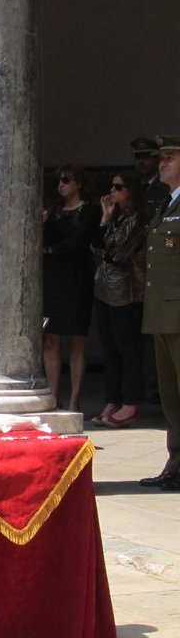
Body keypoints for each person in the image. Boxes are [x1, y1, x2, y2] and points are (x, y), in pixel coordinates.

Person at [91, 174, 149, 428]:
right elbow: (95, 246)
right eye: (110, 186)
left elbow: (118, 255)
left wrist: (103, 247)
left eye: (118, 187)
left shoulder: (139, 219)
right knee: (110, 350)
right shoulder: (114, 218)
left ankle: (130, 402)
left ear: (130, 191)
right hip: (104, 290)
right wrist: (104, 219)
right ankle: (112, 400)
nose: (112, 191)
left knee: (129, 350)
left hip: (127, 294)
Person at [43, 165, 101, 411]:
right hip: (53, 278)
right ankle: (53, 396)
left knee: (77, 339)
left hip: (78, 278)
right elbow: (44, 241)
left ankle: (75, 398)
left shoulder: (90, 210)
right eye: (58, 181)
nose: (61, 185)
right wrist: (43, 224)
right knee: (51, 338)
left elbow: (79, 242)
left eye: (66, 180)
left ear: (79, 183)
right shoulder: (53, 212)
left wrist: (51, 250)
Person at [140, 135, 180, 492]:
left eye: (170, 157)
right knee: (171, 397)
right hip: (164, 316)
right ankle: (176, 463)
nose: (162, 163)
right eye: (161, 158)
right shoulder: (167, 203)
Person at [132, 136, 169, 217]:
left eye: (146, 157)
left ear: (156, 159)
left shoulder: (165, 185)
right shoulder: (131, 185)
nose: (141, 162)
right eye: (138, 157)